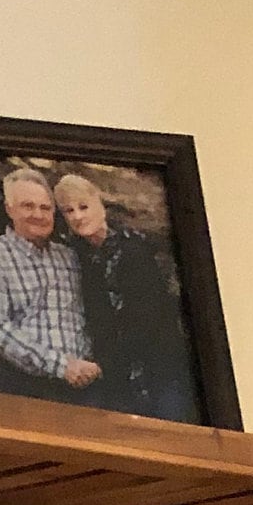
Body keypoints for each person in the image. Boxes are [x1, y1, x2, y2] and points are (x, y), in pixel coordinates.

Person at [53, 168, 202, 423]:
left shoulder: (134, 251)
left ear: (100, 206)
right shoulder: (75, 256)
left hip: (158, 370)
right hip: (115, 379)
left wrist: (103, 365)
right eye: (69, 210)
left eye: (83, 206)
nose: (78, 216)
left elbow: (147, 320)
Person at [0, 167, 103, 402]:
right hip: (24, 390)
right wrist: (62, 366)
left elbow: (90, 315)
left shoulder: (69, 256)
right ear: (9, 209)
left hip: (83, 389)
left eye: (45, 208)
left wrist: (94, 364)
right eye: (27, 206)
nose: (38, 215)